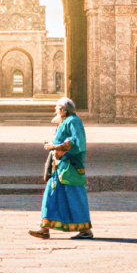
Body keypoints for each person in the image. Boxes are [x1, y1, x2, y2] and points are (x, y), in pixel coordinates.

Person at [29, 96, 93, 240]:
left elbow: (77, 143)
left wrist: (55, 146)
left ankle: (85, 230)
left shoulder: (74, 122)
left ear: (64, 109)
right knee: (50, 196)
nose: (56, 110)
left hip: (71, 169)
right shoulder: (65, 121)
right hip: (59, 168)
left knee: (75, 197)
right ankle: (44, 228)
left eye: (57, 108)